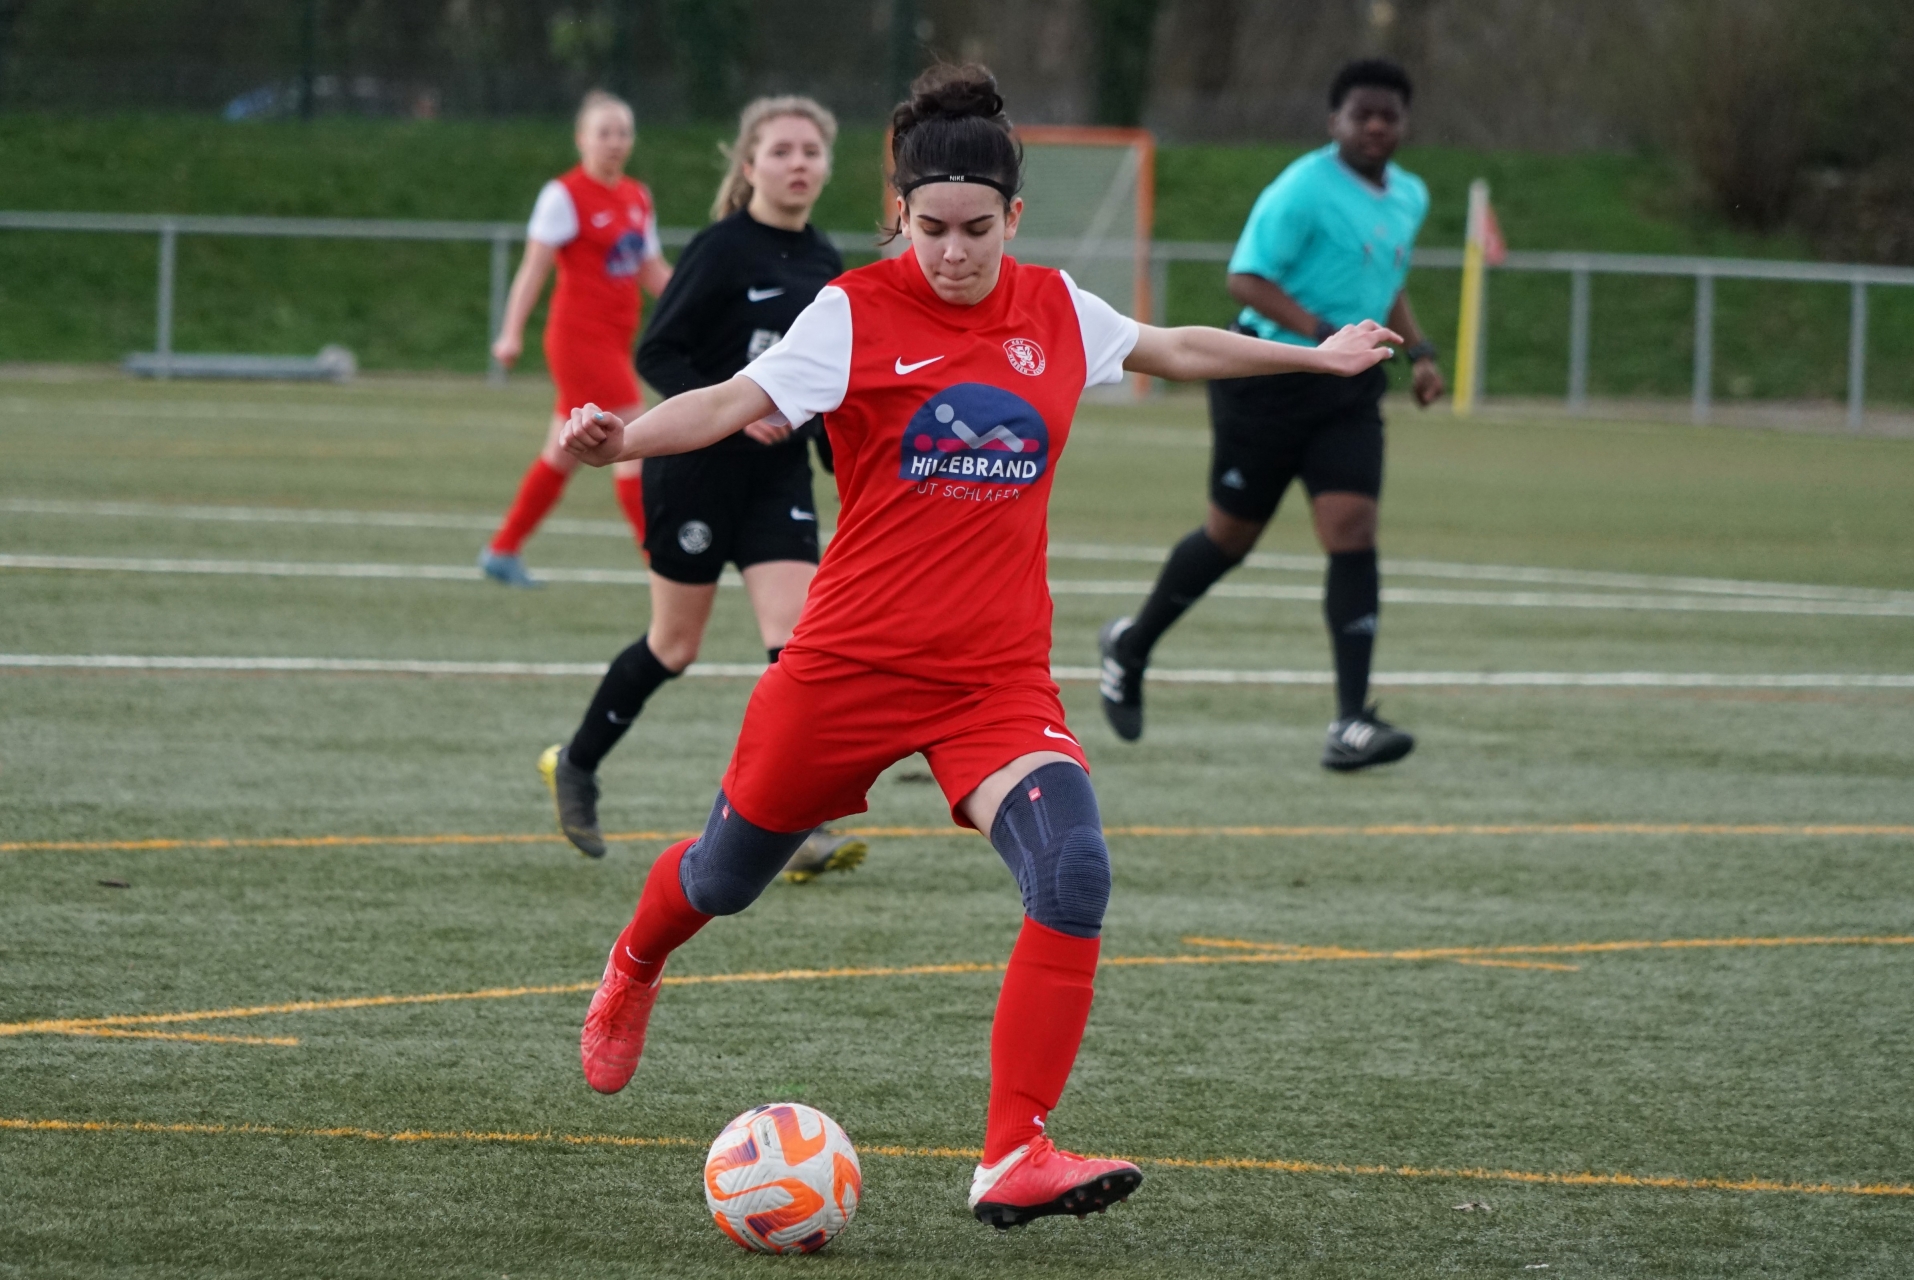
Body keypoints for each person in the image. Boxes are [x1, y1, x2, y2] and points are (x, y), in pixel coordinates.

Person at [557, 65, 1397, 1230]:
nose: (953, 252)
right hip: (846, 668)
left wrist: (1319, 356)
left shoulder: (1056, 310)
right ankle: (634, 964)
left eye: (977, 229)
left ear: (1015, 216)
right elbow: (725, 400)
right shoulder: (851, 312)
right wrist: (620, 441)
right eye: (931, 227)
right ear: (899, 212)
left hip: (994, 680)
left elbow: (1173, 346)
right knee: (723, 878)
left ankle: (1014, 1150)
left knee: (1074, 871)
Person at [538, 95, 864, 881]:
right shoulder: (720, 250)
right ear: (749, 165)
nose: (797, 164)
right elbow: (659, 353)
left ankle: (792, 821)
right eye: (781, 151)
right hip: (695, 472)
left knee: (797, 649)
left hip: (778, 480)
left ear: (826, 166)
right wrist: (732, 412)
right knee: (674, 646)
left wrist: (836, 457)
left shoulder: (827, 265)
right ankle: (576, 764)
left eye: (810, 151)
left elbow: (829, 385)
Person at [1097, 58, 1444, 771]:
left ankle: (1351, 721)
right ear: (1334, 121)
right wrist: (1321, 337)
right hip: (1269, 380)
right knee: (1230, 537)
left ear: (1405, 123)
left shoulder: (1409, 194)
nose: (1376, 126)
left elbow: (1388, 278)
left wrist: (1419, 351)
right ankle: (1131, 646)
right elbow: (1245, 279)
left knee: (1352, 528)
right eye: (1362, 114)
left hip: (1349, 386)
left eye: (1389, 115)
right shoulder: (1300, 190)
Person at [477, 89, 672, 587]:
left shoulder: (637, 196)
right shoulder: (564, 195)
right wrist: (510, 333)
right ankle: (662, 564)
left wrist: (702, 307)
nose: (615, 142)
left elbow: (651, 271)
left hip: (616, 341)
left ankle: (502, 550)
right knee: (633, 440)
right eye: (604, 132)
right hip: (579, 341)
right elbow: (533, 268)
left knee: (560, 455)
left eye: (623, 132)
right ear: (582, 139)